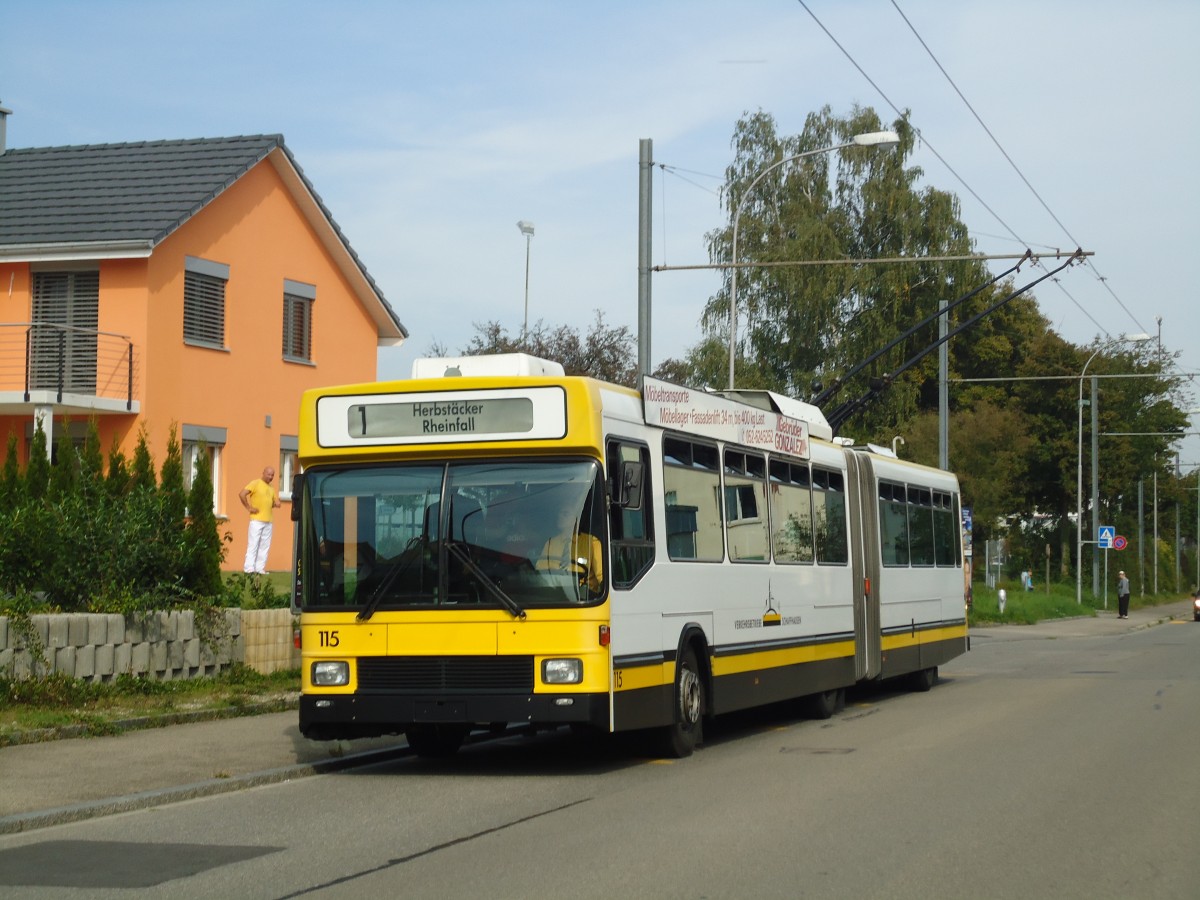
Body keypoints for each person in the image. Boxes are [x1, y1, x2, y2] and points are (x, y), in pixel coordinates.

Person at [535, 501, 603, 593]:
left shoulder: (592, 543)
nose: (560, 517)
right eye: (559, 513)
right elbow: (540, 573)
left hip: (583, 598)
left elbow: (602, 577)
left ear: (576, 518)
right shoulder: (550, 543)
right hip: (553, 594)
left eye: (565, 514)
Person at [239, 466, 282, 575]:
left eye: (273, 475)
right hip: (256, 520)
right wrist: (249, 508)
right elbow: (242, 494)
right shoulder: (256, 483)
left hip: (268, 521)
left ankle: (259, 568)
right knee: (253, 544)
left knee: (265, 545)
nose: (271, 477)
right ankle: (249, 568)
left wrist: (276, 504)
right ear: (263, 473)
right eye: (269, 474)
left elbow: (272, 503)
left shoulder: (271, 488)